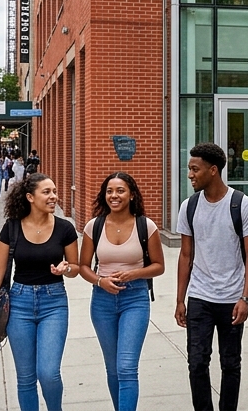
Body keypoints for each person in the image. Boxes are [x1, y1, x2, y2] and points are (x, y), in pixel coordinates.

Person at [0, 173, 80, 411]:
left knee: (49, 373)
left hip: (53, 303)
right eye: (47, 192)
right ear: (30, 197)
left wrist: (66, 268)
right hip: (20, 302)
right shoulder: (12, 227)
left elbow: (75, 267)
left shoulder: (65, 228)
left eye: (54, 191)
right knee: (25, 377)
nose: (53, 196)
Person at [175, 142, 248, 411]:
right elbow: (186, 256)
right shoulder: (188, 207)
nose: (190, 174)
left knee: (230, 363)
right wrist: (180, 300)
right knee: (197, 362)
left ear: (213, 170)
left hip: (232, 298)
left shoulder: (242, 205)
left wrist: (245, 297)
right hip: (200, 297)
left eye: (194, 169)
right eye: (189, 169)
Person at [79, 172, 165, 411]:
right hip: (102, 301)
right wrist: (100, 281)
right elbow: (83, 266)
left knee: (126, 366)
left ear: (131, 194)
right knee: (113, 368)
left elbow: (159, 266)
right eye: (109, 191)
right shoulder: (93, 226)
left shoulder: (145, 226)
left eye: (120, 191)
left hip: (135, 299)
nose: (114, 196)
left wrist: (134, 274)